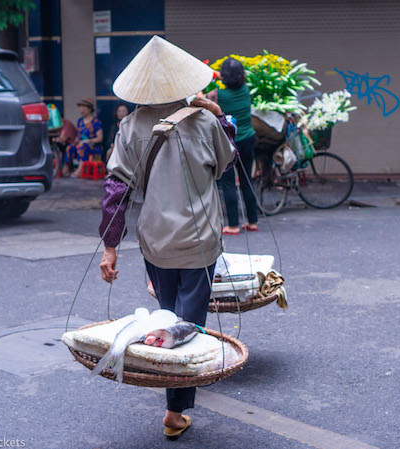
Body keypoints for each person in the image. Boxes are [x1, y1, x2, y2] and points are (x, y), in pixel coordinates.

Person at [97, 36, 236, 439]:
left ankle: (172, 379)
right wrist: (218, 112)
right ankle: (175, 411)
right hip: (199, 241)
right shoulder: (205, 120)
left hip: (154, 240)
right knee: (187, 324)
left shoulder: (130, 125)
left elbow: (116, 188)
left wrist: (110, 247)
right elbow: (228, 162)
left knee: (169, 311)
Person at [208, 57, 258, 234]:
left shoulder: (219, 95)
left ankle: (234, 225)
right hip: (248, 139)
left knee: (229, 183)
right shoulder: (245, 90)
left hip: (229, 142)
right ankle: (252, 222)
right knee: (246, 181)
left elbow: (203, 99)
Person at [65, 97, 104, 177]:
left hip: (94, 148)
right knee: (70, 147)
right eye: (80, 107)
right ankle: (67, 168)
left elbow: (100, 138)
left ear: (90, 109)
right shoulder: (80, 121)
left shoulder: (96, 122)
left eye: (84, 107)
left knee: (83, 146)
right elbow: (78, 137)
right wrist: (75, 141)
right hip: (81, 145)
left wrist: (88, 141)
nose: (81, 110)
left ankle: (80, 170)